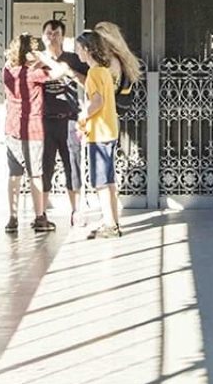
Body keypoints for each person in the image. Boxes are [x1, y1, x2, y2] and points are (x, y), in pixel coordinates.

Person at [76, 28, 140, 240]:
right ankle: (112, 221)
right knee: (110, 181)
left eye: (79, 49)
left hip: (99, 132)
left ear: (87, 50)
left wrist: (83, 117)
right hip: (110, 130)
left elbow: (97, 102)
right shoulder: (105, 71)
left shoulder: (94, 74)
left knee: (101, 182)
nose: (78, 54)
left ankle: (110, 225)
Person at [34, 19, 87, 230]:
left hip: (69, 119)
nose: (51, 36)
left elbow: (87, 80)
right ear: (42, 36)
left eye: (56, 33)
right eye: (48, 33)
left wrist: (71, 73)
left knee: (72, 165)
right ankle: (42, 213)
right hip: (45, 120)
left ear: (62, 37)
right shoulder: (37, 60)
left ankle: (76, 211)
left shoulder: (72, 59)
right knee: (45, 167)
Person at [2, 34, 48, 234]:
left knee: (14, 174)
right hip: (33, 128)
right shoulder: (34, 74)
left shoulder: (8, 71)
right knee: (35, 174)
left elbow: (8, 63)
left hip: (12, 127)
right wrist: (43, 58)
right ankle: (39, 216)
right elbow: (57, 73)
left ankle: (13, 218)